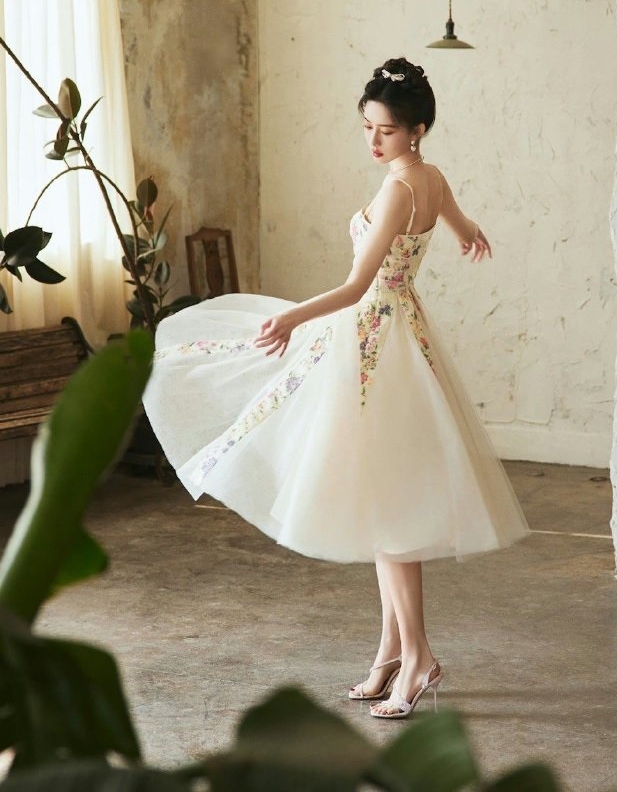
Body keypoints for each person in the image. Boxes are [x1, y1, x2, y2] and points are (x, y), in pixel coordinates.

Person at [143, 57, 528, 721]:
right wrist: (469, 237)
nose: (373, 140)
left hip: (374, 344)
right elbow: (463, 228)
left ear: (417, 129)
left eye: (386, 130)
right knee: (382, 505)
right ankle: (390, 652)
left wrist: (292, 317)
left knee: (389, 514)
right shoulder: (431, 178)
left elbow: (355, 286)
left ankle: (419, 658)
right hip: (403, 334)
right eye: (367, 127)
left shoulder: (399, 189)